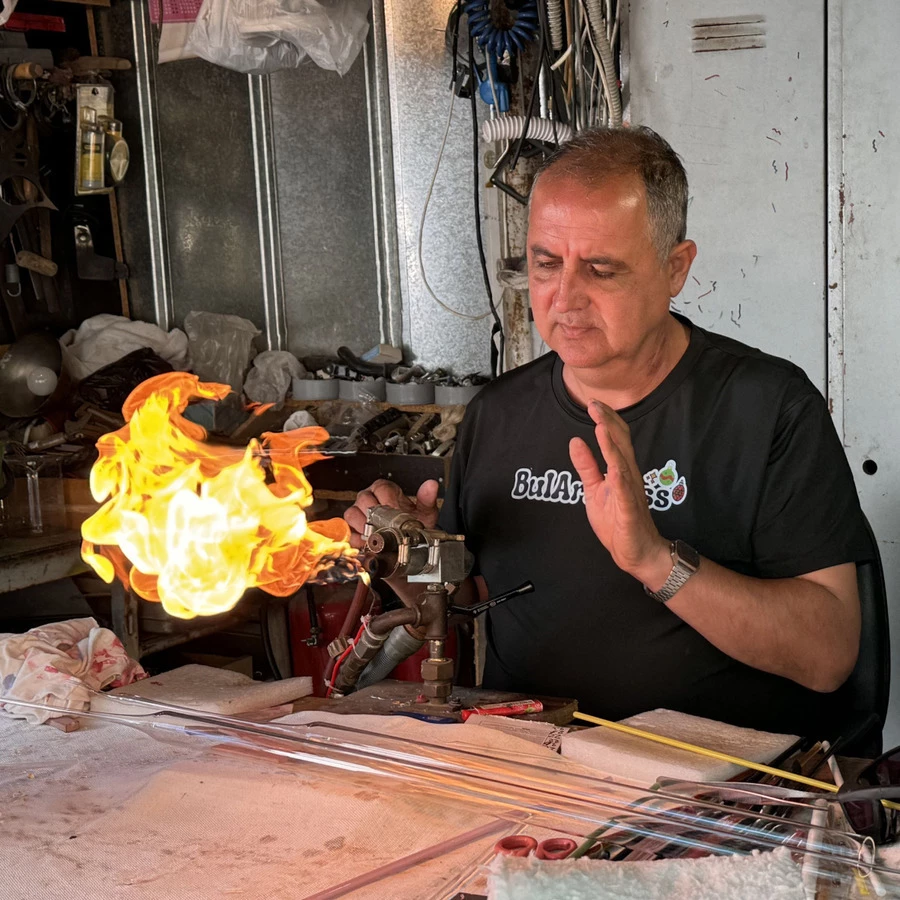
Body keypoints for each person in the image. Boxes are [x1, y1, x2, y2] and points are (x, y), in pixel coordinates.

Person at [344, 126, 871, 739]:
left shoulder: (768, 409)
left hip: (711, 791)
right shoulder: (499, 413)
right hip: (530, 767)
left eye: (599, 269)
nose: (565, 298)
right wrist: (405, 555)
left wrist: (654, 560)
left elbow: (829, 655)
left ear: (675, 269)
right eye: (545, 263)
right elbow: (463, 600)